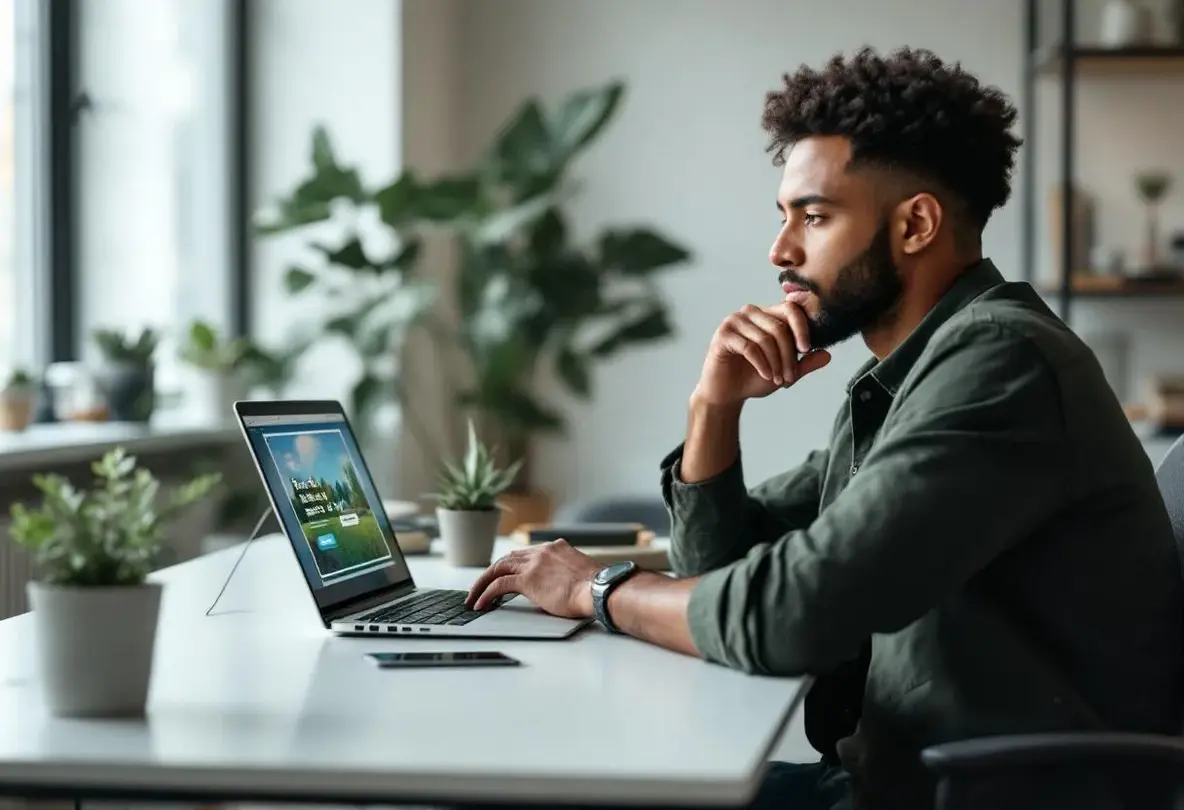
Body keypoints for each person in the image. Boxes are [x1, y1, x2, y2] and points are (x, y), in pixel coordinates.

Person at [464, 46, 1183, 810]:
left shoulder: (1001, 365)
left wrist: (596, 590)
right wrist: (715, 408)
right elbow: (727, 565)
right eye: (784, 217)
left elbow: (788, 614)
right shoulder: (914, 372)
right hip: (888, 782)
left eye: (814, 216)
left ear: (916, 224)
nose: (780, 250)